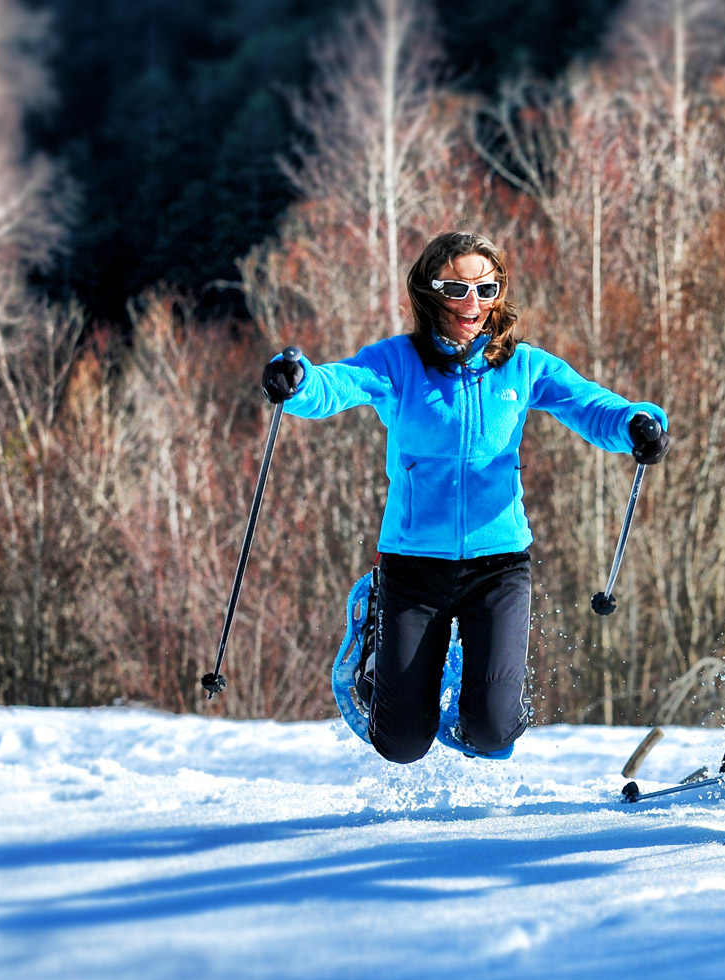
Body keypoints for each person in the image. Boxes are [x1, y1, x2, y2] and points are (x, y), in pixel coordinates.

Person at [261, 230, 668, 764]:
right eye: (456, 289)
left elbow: (592, 407)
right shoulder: (398, 362)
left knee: (493, 734)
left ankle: (474, 688)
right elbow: (337, 385)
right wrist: (298, 381)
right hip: (414, 562)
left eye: (486, 288)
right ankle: (375, 634)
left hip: (498, 565)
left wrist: (638, 422)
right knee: (402, 744)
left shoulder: (523, 367)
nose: (473, 303)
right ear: (430, 292)